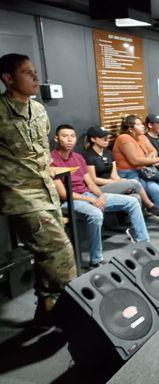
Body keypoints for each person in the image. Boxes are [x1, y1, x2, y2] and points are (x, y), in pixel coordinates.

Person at [0, 53, 77, 321]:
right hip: (21, 196)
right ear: (8, 79)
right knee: (61, 252)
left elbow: (42, 151)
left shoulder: (38, 109)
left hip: (46, 190)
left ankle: (47, 311)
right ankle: (73, 313)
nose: (36, 77)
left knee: (47, 255)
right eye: (27, 73)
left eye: (35, 71)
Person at [51, 124, 151, 267]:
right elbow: (64, 194)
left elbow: (91, 183)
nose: (69, 140)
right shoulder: (51, 160)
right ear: (56, 138)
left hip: (87, 194)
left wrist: (101, 195)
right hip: (70, 201)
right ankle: (96, 259)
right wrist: (91, 199)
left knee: (133, 202)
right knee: (96, 214)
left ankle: (143, 244)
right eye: (64, 136)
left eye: (72, 136)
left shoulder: (78, 157)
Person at [83, 125, 159, 217]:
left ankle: (133, 226)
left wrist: (120, 182)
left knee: (136, 196)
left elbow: (114, 175)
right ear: (93, 139)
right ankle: (150, 206)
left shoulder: (108, 153)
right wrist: (114, 182)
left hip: (111, 183)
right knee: (134, 183)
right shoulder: (88, 156)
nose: (106, 139)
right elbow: (93, 180)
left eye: (107, 137)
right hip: (98, 188)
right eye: (102, 138)